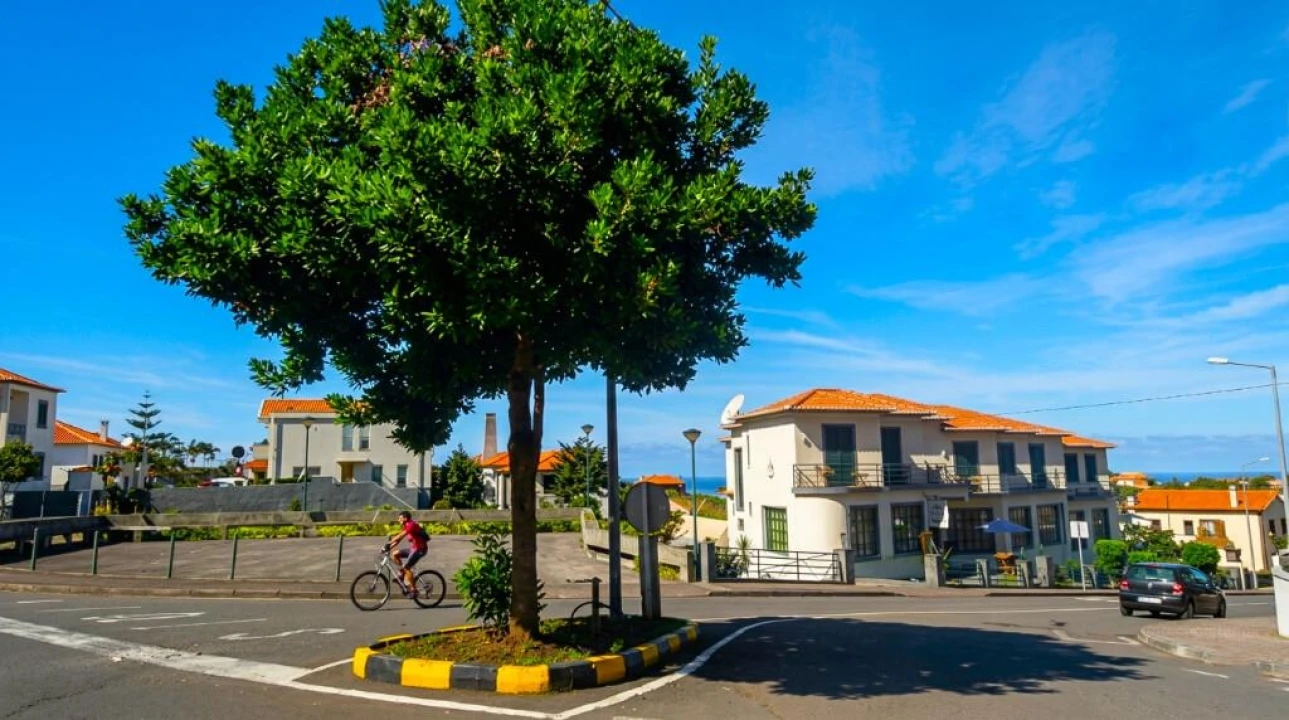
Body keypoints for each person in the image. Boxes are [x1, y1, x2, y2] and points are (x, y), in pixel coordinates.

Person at [385, 510, 429, 595]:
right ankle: (402, 575)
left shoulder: (411, 525)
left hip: (420, 549)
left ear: (405, 518)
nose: (398, 520)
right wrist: (388, 548)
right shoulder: (406, 526)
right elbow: (398, 540)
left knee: (406, 567)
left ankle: (414, 590)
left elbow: (400, 536)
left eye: (400, 518)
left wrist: (388, 543)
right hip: (414, 549)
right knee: (395, 554)